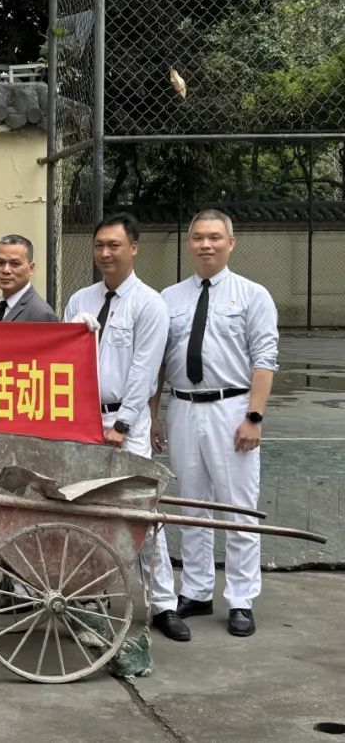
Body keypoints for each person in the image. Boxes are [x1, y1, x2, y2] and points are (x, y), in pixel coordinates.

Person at [63, 213, 190, 642]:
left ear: (133, 249)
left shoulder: (149, 304)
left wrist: (120, 425)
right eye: (99, 245)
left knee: (143, 514)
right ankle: (89, 597)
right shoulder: (79, 300)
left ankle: (164, 603)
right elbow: (65, 362)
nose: (105, 253)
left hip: (126, 425)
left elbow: (144, 369)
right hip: (83, 422)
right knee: (85, 513)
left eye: (114, 245)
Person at [151, 209, 277, 638]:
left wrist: (254, 417)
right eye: (198, 237)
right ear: (189, 243)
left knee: (238, 507)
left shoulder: (252, 295)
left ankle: (241, 598)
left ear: (231, 243)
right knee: (192, 505)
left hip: (232, 408)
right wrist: (153, 414)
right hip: (183, 407)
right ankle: (197, 590)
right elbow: (158, 363)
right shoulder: (169, 298)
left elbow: (264, 359)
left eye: (215, 237)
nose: (206, 244)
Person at [0, 235, 58, 322]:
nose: (6, 270)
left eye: (15, 264)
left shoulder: (41, 314)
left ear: (31, 268)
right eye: (0, 263)